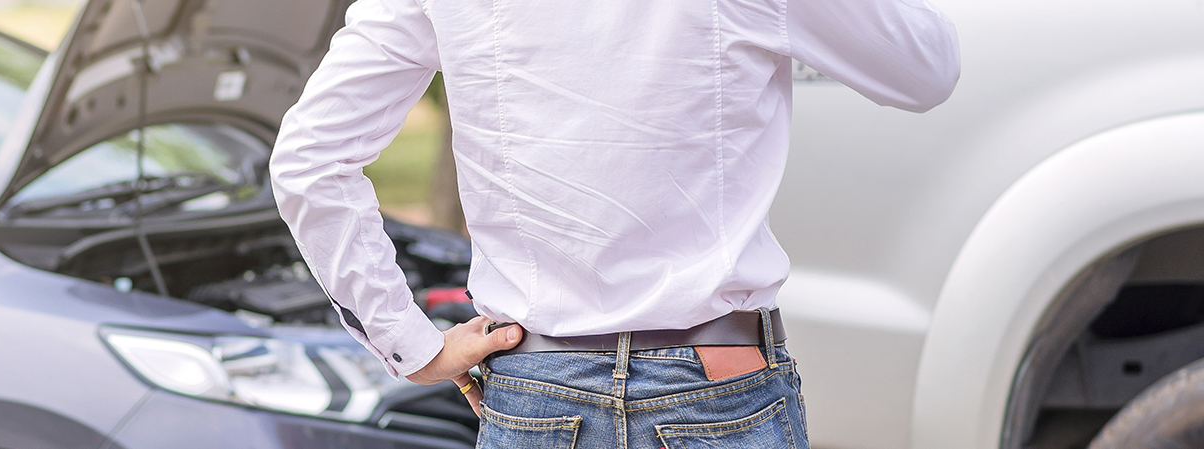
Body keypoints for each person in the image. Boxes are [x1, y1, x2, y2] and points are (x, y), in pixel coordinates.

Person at [267, 0, 960, 446]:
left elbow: (309, 160)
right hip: (716, 387)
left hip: (535, 389)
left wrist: (411, 344)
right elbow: (926, 68)